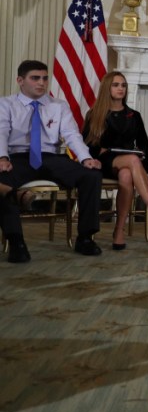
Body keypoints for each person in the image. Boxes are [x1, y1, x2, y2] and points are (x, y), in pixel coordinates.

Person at [0, 60, 104, 261]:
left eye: (45, 78)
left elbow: (72, 135)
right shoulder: (6, 104)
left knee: (91, 176)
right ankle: (16, 242)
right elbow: (1, 132)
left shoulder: (59, 106)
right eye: (35, 78)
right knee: (1, 182)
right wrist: (2, 157)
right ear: (20, 80)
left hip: (51, 157)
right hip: (18, 157)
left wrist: (86, 158)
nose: (41, 83)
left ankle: (85, 237)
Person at [81, 72, 148, 251]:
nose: (120, 88)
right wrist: (101, 150)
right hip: (103, 163)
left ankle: (119, 230)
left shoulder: (134, 115)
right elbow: (87, 147)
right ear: (107, 88)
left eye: (123, 85)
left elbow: (145, 146)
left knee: (126, 174)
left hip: (129, 163)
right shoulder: (95, 114)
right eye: (116, 85)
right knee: (131, 161)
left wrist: (140, 155)